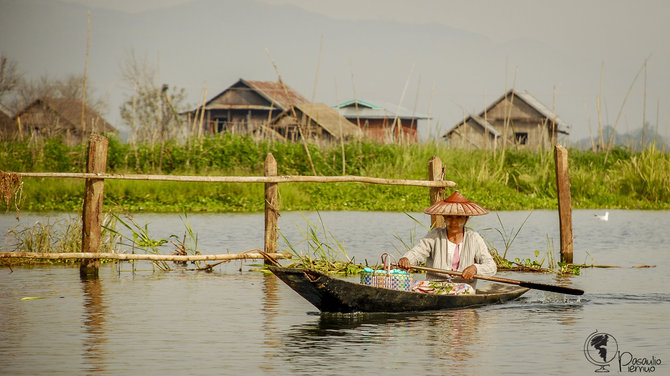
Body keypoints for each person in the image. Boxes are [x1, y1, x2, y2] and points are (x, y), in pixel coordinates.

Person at [397, 190, 496, 288]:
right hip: (434, 287)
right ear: (444, 217)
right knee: (411, 286)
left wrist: (475, 268)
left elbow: (491, 266)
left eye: (459, 217)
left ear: (466, 219)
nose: (454, 222)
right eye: (449, 217)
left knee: (466, 291)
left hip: (462, 288)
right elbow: (417, 252)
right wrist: (407, 259)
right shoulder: (435, 235)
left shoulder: (474, 238)